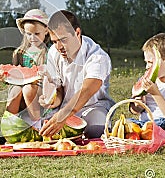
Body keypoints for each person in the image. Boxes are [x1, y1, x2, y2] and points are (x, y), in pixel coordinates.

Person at [39, 10, 115, 139]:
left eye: (63, 40)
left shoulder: (98, 56)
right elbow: (59, 89)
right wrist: (52, 101)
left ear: (77, 33)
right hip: (64, 109)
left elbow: (88, 89)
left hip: (94, 106)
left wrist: (64, 114)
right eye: (54, 41)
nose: (59, 47)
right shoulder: (53, 52)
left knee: (96, 129)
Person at [5, 9, 50, 129]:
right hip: (21, 92)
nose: (32, 38)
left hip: (42, 91)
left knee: (29, 88)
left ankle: (37, 126)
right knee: (15, 91)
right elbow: (14, 76)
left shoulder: (49, 52)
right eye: (28, 34)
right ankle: (10, 125)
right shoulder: (19, 53)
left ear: (46, 30)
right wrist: (5, 76)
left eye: (37, 34)